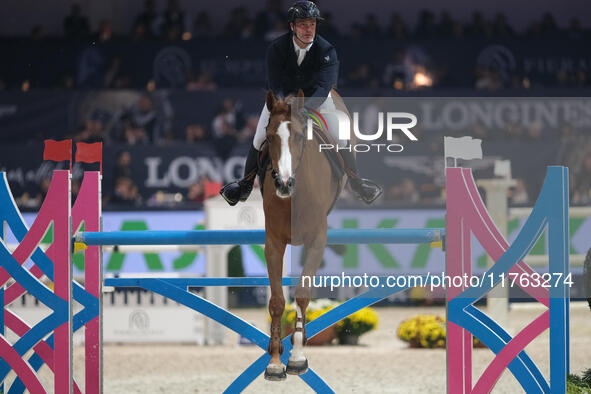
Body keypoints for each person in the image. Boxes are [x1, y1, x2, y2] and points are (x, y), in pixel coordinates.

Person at [221, 1, 382, 206]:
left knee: (339, 135)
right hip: (283, 100)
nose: (308, 30)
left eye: (312, 24)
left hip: (317, 99)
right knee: (260, 135)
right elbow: (275, 84)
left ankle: (357, 183)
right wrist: (284, 106)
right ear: (292, 26)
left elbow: (325, 88)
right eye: (303, 24)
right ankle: (244, 185)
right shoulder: (277, 48)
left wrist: (304, 108)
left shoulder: (327, 50)